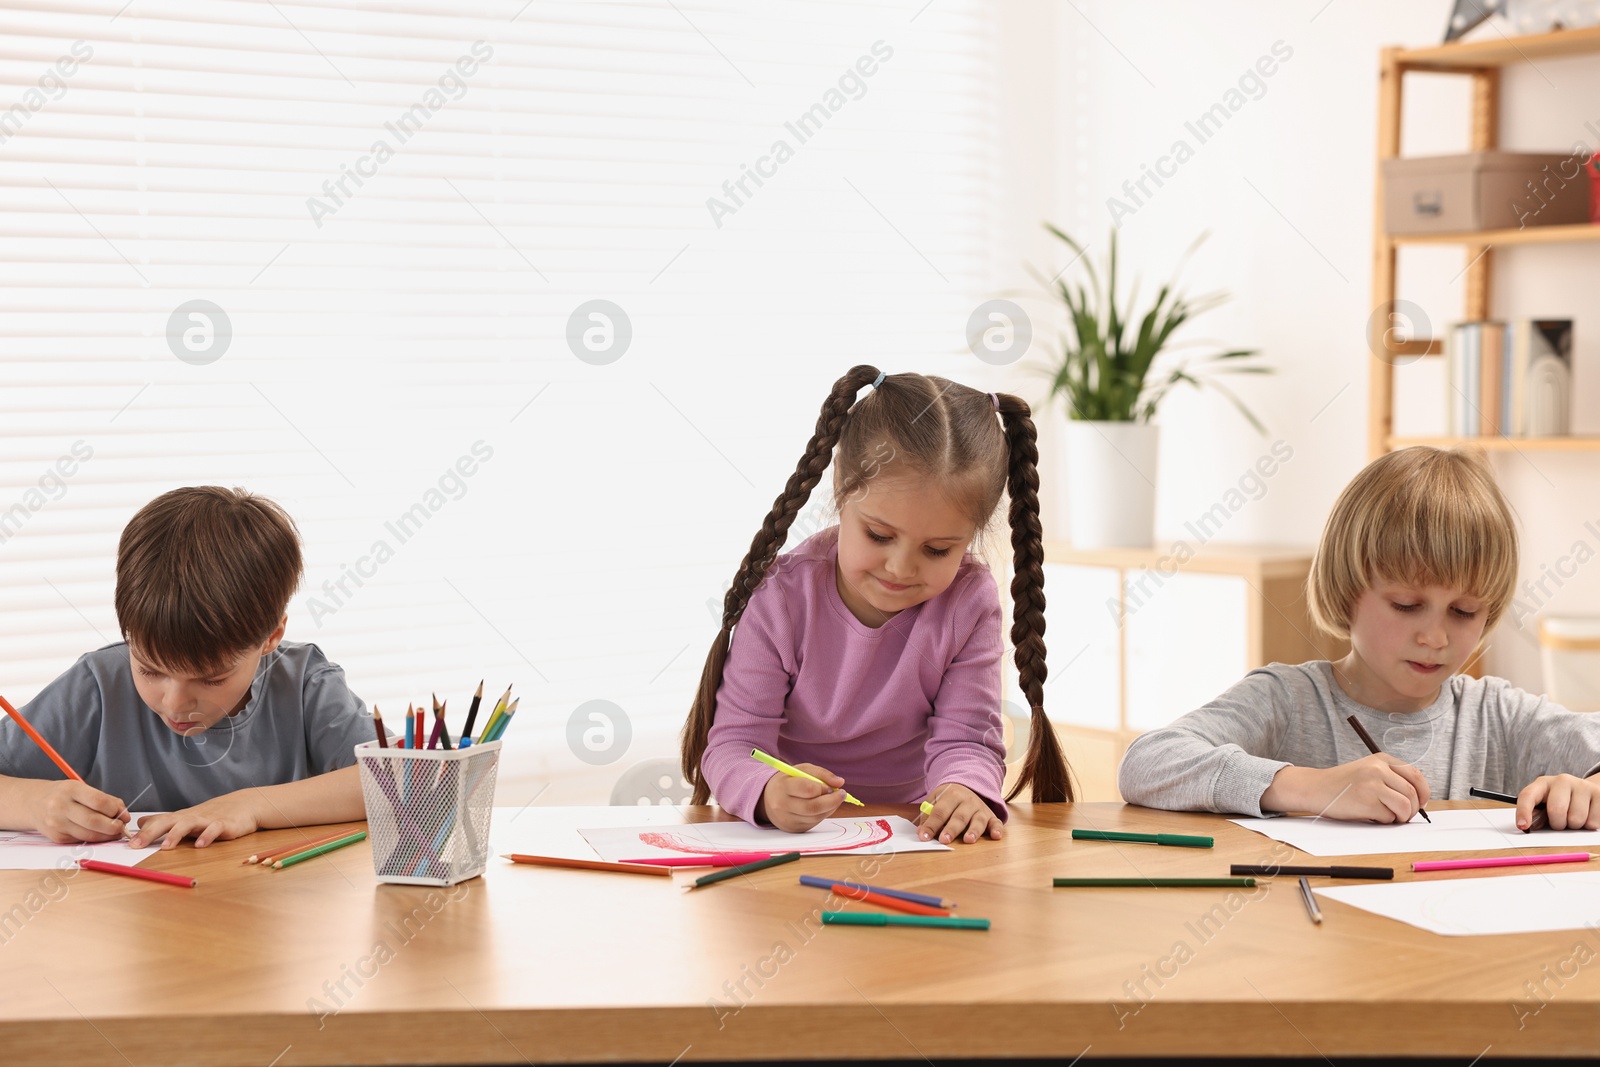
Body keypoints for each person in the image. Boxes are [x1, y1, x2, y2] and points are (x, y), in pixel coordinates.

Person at [682, 365, 1072, 844]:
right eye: (879, 535)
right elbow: (734, 745)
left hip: (908, 836)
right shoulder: (782, 595)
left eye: (938, 550)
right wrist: (767, 792)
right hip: (787, 841)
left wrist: (965, 789)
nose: (901, 569)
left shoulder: (969, 599)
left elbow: (967, 740)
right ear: (842, 490)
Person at [1118, 446, 1600, 828]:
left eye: (1463, 611)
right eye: (1406, 605)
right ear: (1348, 590)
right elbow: (1147, 763)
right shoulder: (1287, 699)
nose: (1435, 636)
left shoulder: (1501, 717)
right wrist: (1311, 788)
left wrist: (1588, 792)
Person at [0, 486, 376, 848]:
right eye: (149, 669)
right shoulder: (98, 685)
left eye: (212, 678)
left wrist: (254, 805)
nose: (176, 703)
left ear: (271, 636)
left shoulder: (305, 684)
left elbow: (401, 782)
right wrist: (34, 803)